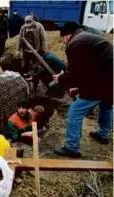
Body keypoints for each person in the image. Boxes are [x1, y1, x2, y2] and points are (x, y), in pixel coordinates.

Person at [53, 21, 113, 158]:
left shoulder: (75, 43)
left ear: (68, 35)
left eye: (63, 38)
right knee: (106, 105)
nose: (63, 41)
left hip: (103, 80)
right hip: (110, 78)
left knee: (75, 111)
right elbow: (90, 69)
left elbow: (75, 71)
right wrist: (79, 89)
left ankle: (72, 148)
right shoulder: (87, 37)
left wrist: (61, 77)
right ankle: (103, 135)